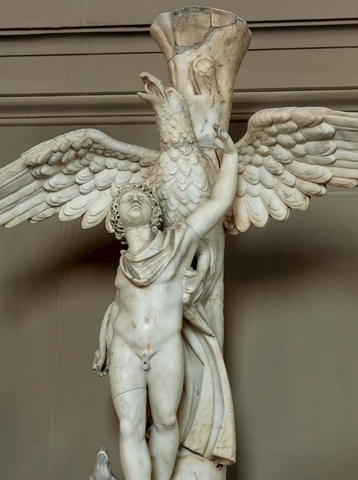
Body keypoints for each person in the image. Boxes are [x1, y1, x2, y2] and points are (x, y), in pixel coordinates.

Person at [92, 124, 238, 480]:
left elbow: (218, 203)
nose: (135, 199)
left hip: (164, 345)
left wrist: (231, 157)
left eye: (142, 197)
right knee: (129, 425)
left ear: (155, 212)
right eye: (128, 198)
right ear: (117, 217)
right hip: (125, 346)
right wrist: (104, 342)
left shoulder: (178, 242)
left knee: (167, 420)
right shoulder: (123, 263)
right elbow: (119, 307)